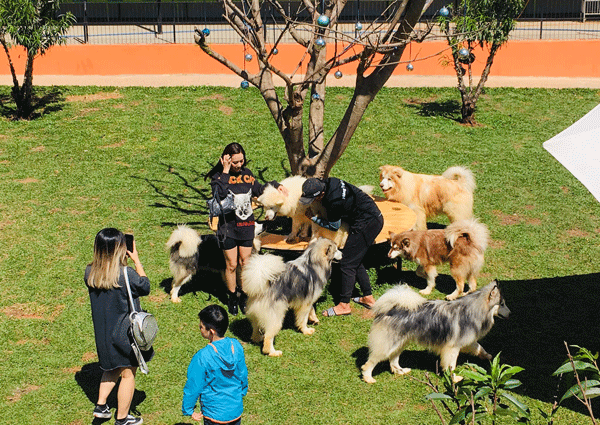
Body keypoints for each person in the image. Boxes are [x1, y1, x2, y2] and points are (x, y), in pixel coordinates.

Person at [205, 142, 286, 315]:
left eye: (241, 161)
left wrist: (274, 185)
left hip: (245, 226)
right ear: (226, 159)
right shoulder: (219, 177)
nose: (240, 165)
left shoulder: (247, 174)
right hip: (227, 227)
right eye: (235, 162)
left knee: (245, 262)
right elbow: (219, 195)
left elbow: (259, 189)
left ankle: (244, 295)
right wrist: (226, 171)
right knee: (232, 264)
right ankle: (232, 297)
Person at [85, 228, 153, 425]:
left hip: (103, 333)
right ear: (119, 249)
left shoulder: (90, 273)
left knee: (111, 367)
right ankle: (122, 419)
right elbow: (145, 286)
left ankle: (101, 406)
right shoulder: (126, 274)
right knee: (128, 373)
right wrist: (137, 260)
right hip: (125, 333)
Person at [300, 177, 384, 317]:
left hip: (368, 223)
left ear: (320, 194)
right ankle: (368, 298)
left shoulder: (334, 201)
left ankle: (344, 305)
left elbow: (334, 226)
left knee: (347, 264)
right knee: (355, 259)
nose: (313, 202)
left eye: (313, 199)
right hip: (372, 217)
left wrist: (314, 219)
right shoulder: (330, 181)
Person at [182, 304, 248, 424]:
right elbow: (242, 373)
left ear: (211, 331)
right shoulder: (236, 346)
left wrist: (188, 409)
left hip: (214, 415)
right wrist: (241, 392)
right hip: (235, 411)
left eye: (201, 327)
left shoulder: (203, 356)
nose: (199, 327)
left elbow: (194, 385)